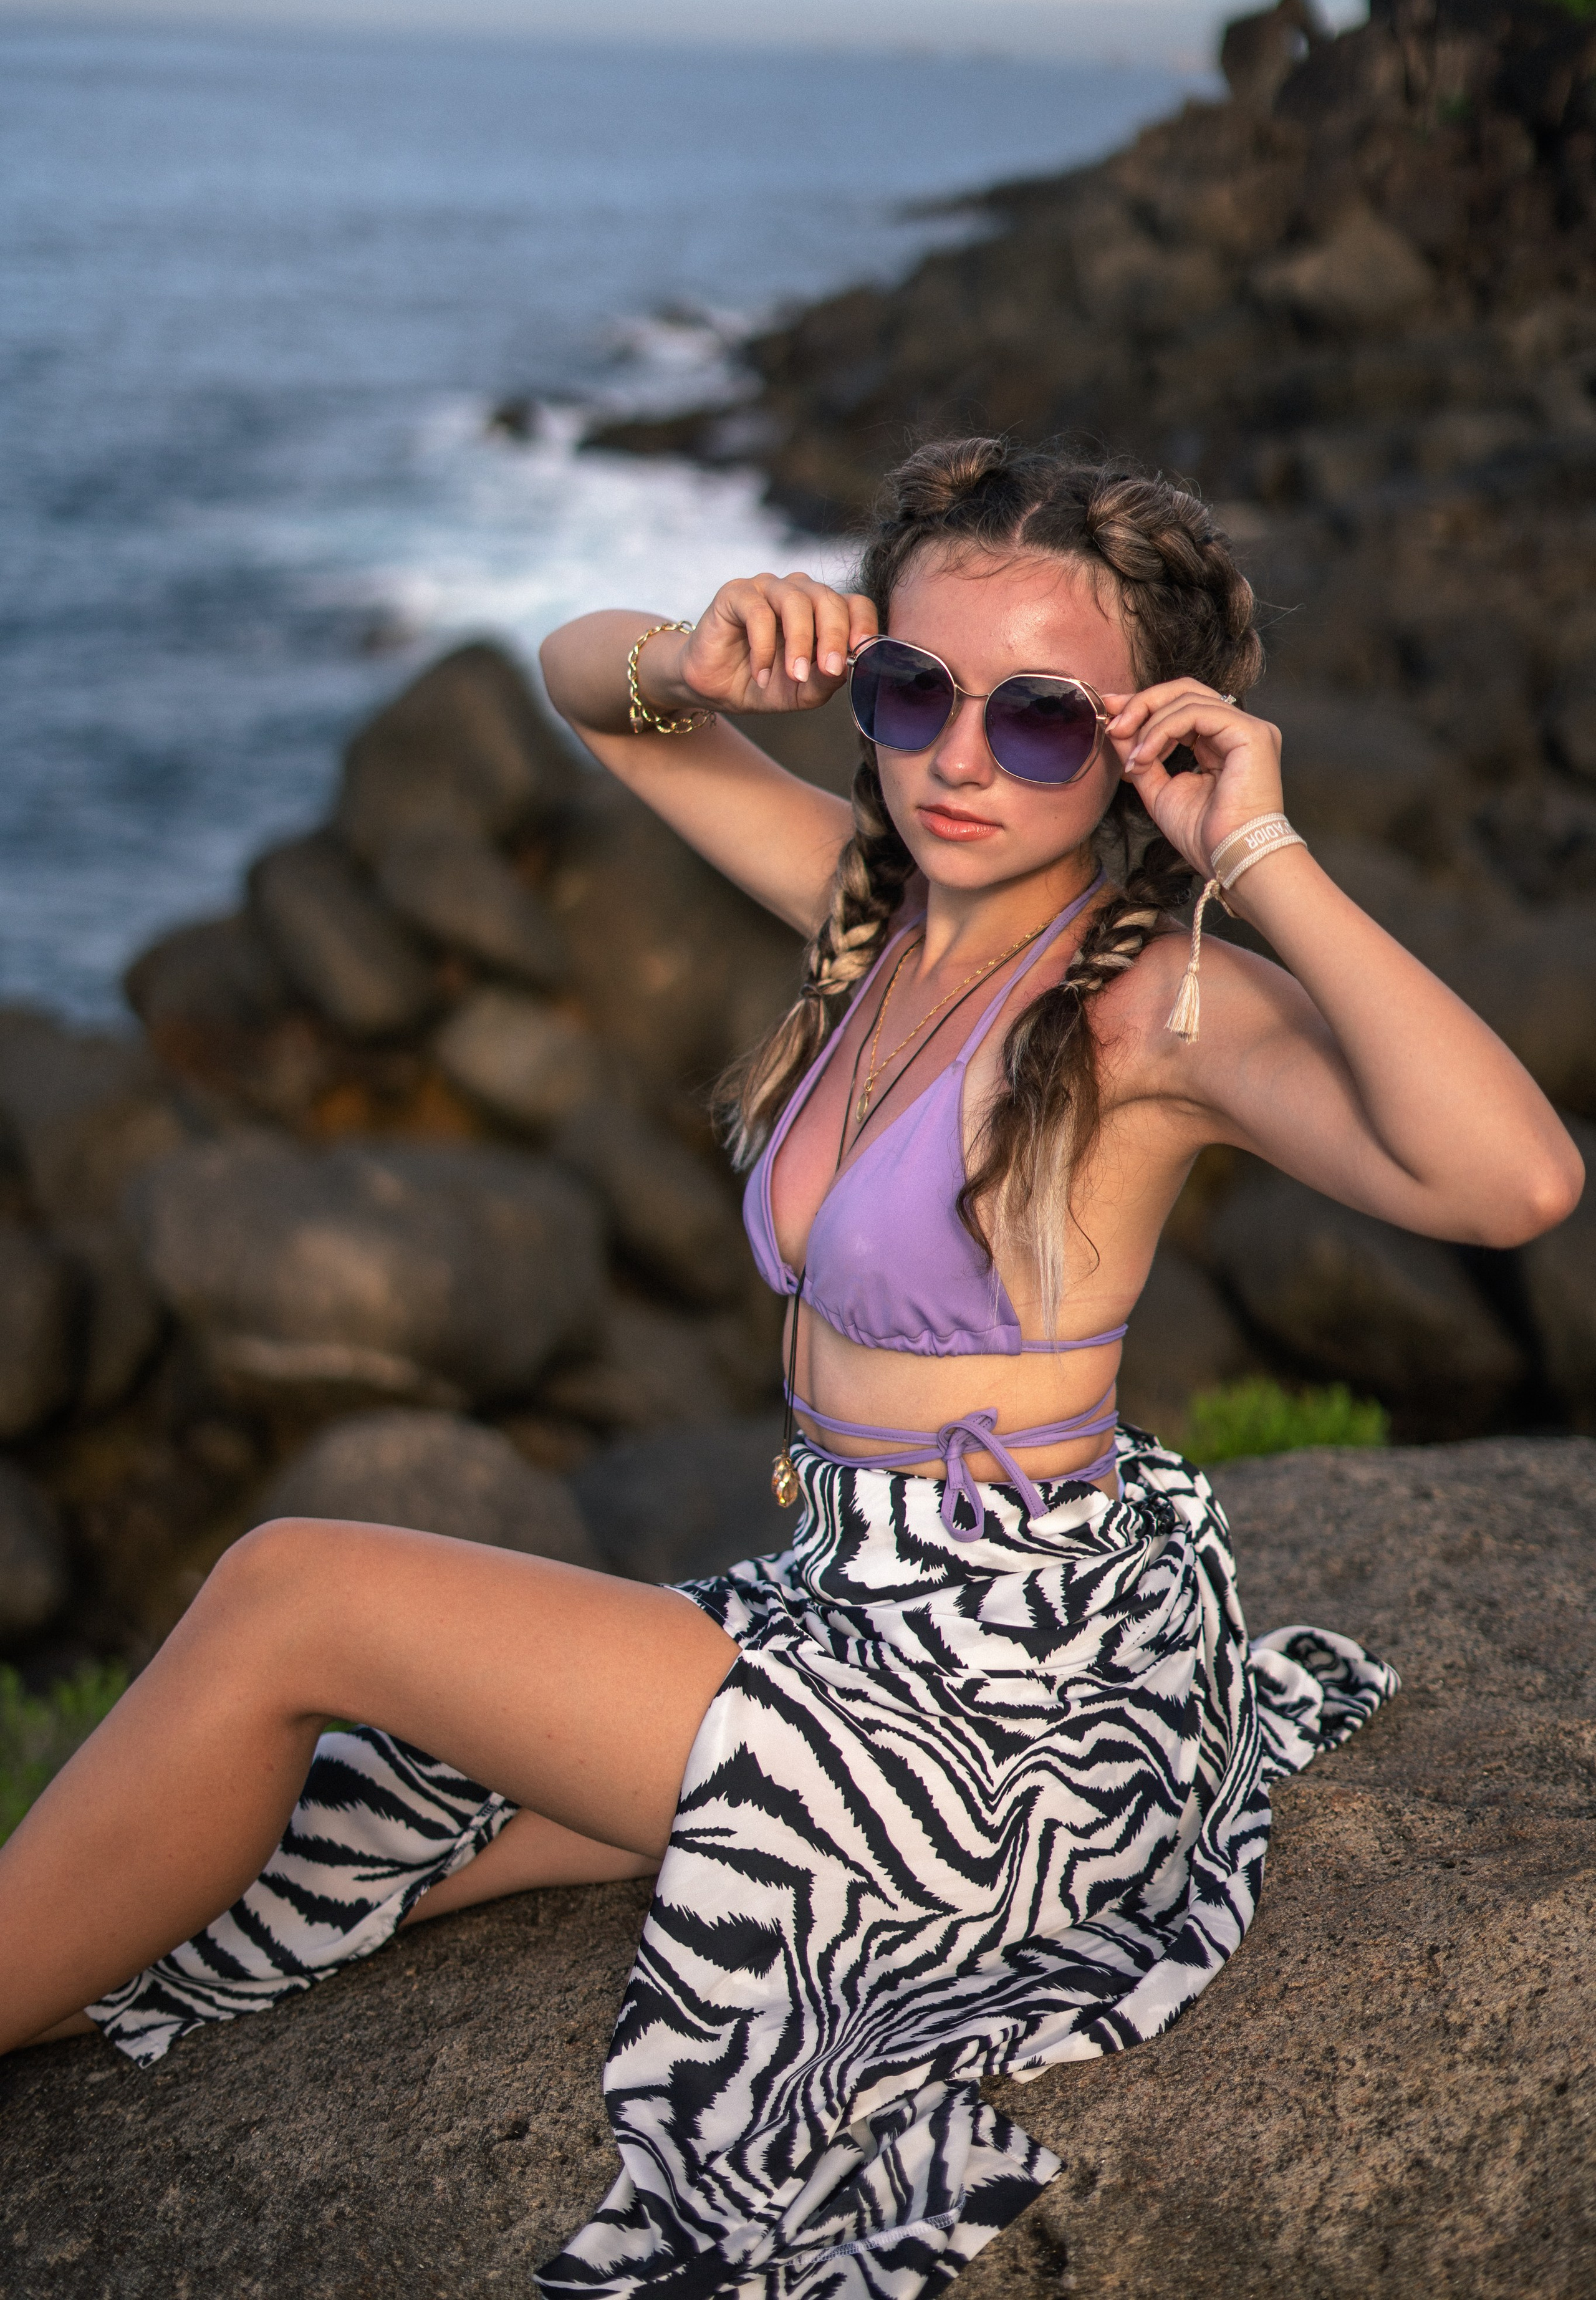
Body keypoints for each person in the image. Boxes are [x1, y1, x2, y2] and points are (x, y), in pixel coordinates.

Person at [0, 438, 1581, 2299]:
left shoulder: (1152, 1004)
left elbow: (1517, 1182)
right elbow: (586, 692)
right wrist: (695, 652)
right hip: (846, 1610)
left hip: (994, 1701)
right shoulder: (884, 912)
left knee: (295, 1592)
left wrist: (1255, 846)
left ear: (1140, 739)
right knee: (355, 1833)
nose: (963, 759)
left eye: (1041, 719)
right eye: (916, 690)